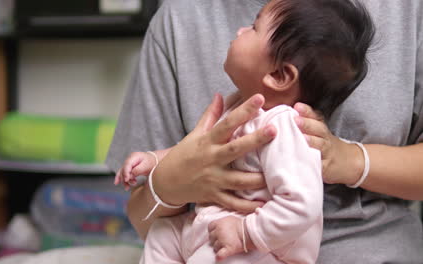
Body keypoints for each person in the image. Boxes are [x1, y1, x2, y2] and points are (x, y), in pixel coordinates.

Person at [107, 0, 423, 263]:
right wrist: (159, 168)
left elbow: (300, 205)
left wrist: (352, 160)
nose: (241, 29)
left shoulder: (282, 127)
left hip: (261, 244)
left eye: (254, 27)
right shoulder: (235, 103)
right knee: (164, 238)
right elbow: (189, 155)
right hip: (209, 223)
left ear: (280, 75)